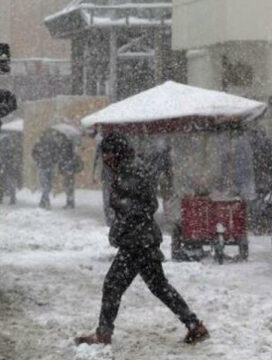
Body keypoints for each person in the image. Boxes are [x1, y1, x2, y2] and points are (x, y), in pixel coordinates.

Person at [75, 131, 210, 346]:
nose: (105, 158)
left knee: (112, 285)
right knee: (159, 286)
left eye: (108, 153)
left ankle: (103, 334)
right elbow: (142, 204)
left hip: (136, 241)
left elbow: (141, 205)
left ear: (117, 152)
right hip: (142, 238)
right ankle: (194, 324)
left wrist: (121, 217)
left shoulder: (130, 170)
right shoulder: (129, 167)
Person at [32, 131, 58, 209]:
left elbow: (33, 154)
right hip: (48, 166)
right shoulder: (52, 143)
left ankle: (43, 202)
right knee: (48, 186)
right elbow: (56, 155)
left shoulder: (39, 144)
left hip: (43, 166)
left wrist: (38, 160)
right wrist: (53, 161)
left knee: (46, 186)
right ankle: (45, 202)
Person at [57, 140, 83, 210]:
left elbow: (61, 163)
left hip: (67, 172)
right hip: (71, 173)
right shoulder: (73, 154)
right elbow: (79, 164)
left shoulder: (64, 154)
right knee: (70, 188)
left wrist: (61, 170)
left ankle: (69, 202)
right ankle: (70, 202)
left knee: (68, 188)